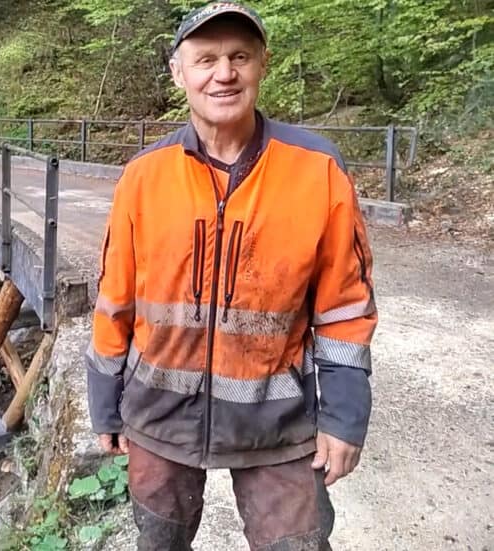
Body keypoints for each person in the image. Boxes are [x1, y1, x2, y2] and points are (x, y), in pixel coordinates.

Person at [84, 2, 378, 550]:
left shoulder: (316, 168)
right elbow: (114, 300)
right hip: (158, 416)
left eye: (239, 57)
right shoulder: (144, 176)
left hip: (279, 421)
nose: (224, 74)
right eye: (206, 60)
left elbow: (345, 307)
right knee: (159, 542)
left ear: (263, 64)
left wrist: (344, 416)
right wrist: (105, 400)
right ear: (179, 72)